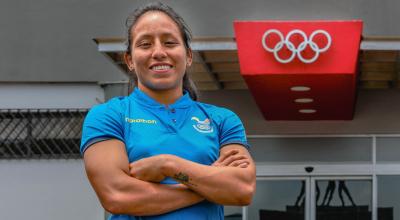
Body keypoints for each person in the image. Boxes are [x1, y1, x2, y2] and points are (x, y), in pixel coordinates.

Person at [80, 2, 256, 219]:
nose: (158, 52)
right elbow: (117, 195)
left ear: (188, 56)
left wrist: (167, 165)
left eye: (170, 42)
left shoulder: (222, 120)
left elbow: (242, 189)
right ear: (129, 60)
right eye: (145, 44)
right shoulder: (109, 116)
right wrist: (212, 186)